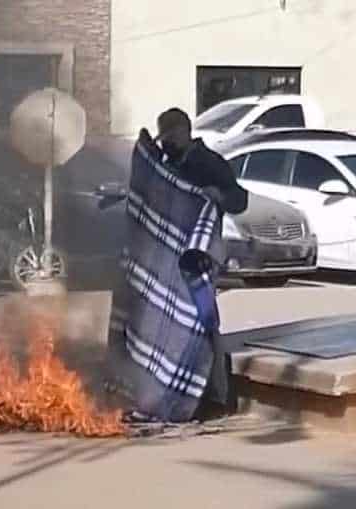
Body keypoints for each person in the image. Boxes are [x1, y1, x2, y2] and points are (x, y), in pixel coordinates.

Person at [154, 108, 249, 415]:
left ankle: (217, 396)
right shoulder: (168, 164)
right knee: (172, 323)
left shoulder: (209, 163)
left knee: (204, 321)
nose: (167, 144)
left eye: (170, 137)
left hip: (202, 253)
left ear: (183, 132)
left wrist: (217, 195)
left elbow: (239, 199)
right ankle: (176, 390)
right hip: (171, 253)